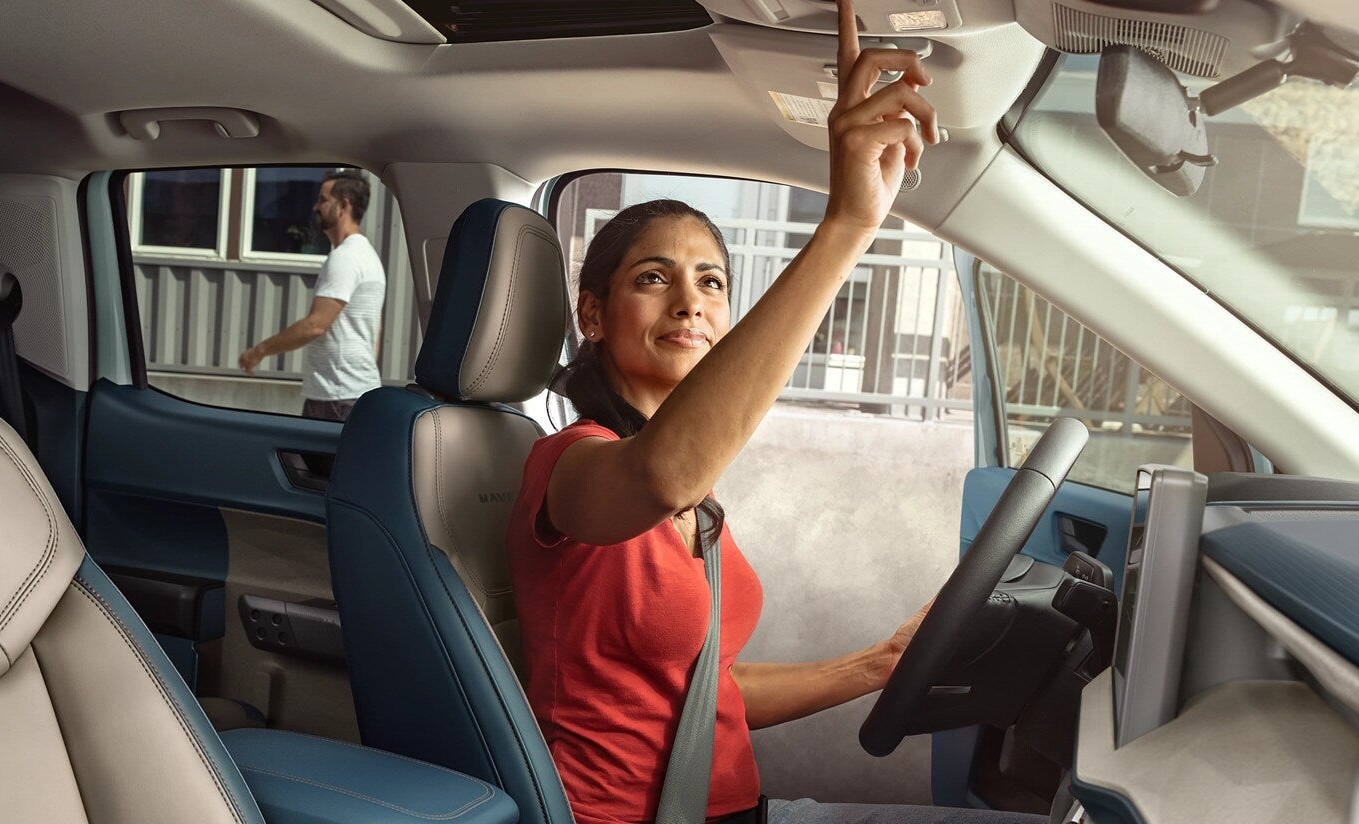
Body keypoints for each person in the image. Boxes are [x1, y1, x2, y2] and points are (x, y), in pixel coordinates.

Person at [506, 4, 1045, 824]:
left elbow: (706, 694)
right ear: (593, 313)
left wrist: (879, 664)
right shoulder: (570, 466)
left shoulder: (691, 492)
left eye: (713, 281)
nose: (690, 300)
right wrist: (850, 223)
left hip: (739, 807)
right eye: (654, 278)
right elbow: (665, 471)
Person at [239, 169, 386, 422]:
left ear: (343, 206)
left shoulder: (346, 257)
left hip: (336, 398)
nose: (315, 206)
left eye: (322, 199)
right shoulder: (367, 256)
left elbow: (315, 325)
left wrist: (259, 351)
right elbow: (375, 332)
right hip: (354, 392)